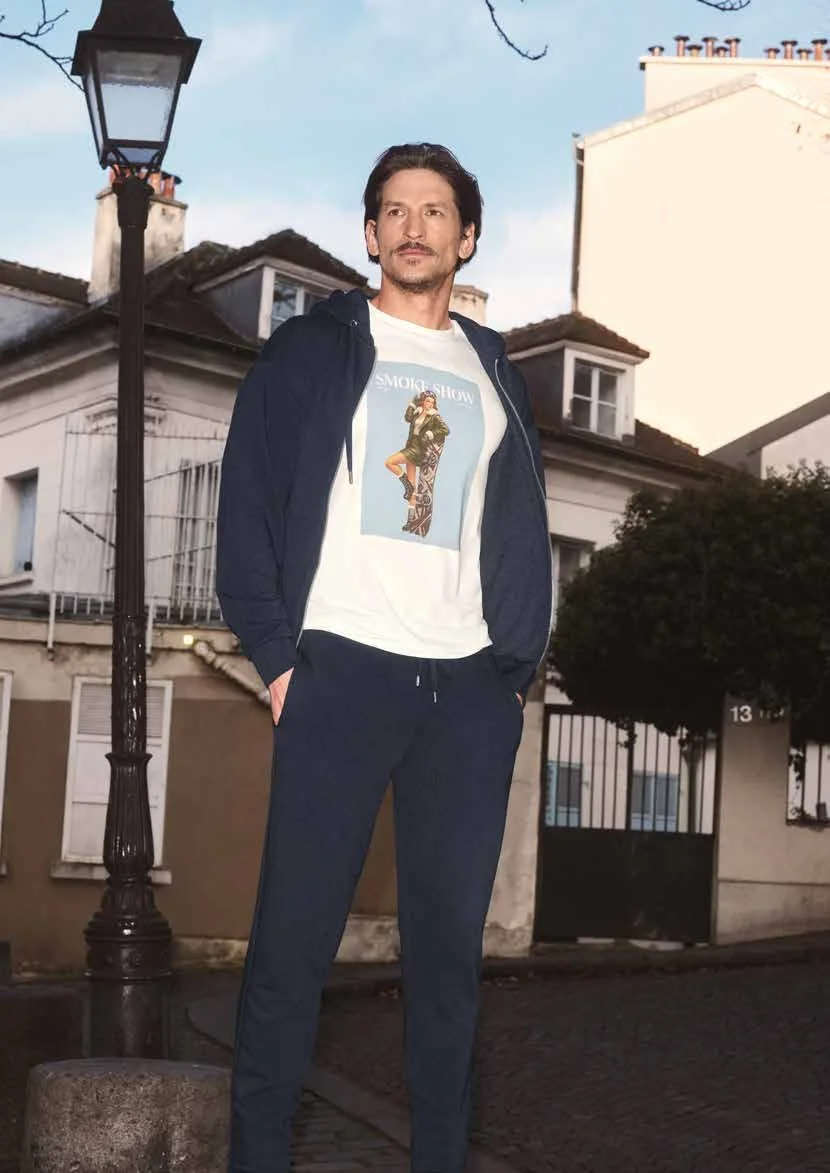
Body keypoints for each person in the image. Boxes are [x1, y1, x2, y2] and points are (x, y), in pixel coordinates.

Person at [216, 142, 552, 1173]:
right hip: (340, 672)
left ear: (466, 238)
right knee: (291, 947)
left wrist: (510, 670)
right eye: (395, 211)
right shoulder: (309, 351)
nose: (414, 226)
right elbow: (246, 503)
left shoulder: (495, 372)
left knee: (447, 965)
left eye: (435, 211)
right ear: (370, 235)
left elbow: (517, 525)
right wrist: (280, 662)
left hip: (467, 692)